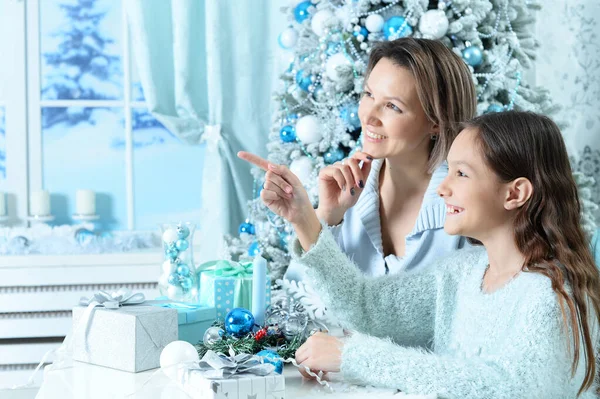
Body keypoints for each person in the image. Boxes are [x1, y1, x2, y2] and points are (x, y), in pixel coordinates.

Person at [239, 111, 600, 398]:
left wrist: (355, 357)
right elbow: (368, 308)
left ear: (514, 193)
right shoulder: (463, 272)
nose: (442, 188)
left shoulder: (552, 295)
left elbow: (509, 388)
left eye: (461, 173)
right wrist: (305, 218)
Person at [284, 38, 477, 280]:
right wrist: (326, 217)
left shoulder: (468, 205)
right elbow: (298, 304)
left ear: (436, 122)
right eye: (369, 94)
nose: (369, 116)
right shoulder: (345, 194)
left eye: (393, 107)